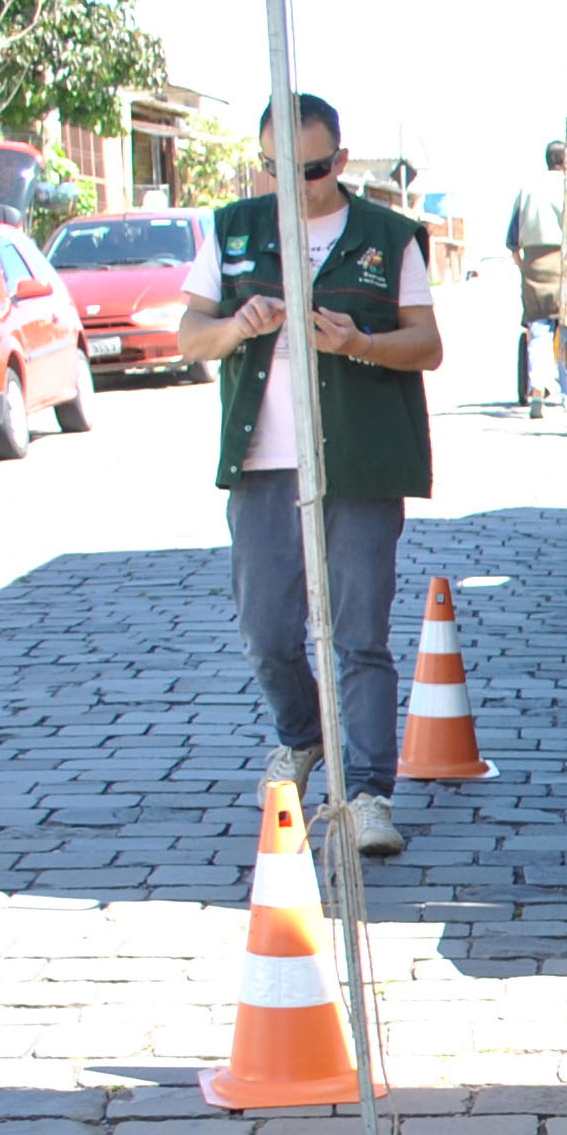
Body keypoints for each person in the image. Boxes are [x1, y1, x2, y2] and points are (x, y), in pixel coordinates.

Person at [177, 94, 442, 860]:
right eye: (281, 170)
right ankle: (302, 737)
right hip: (262, 463)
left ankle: (368, 793)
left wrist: (359, 342)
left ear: (342, 159)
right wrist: (237, 328)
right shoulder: (231, 229)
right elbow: (191, 333)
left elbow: (426, 345)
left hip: (358, 462)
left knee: (361, 635)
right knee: (266, 630)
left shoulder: (387, 238)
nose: (301, 185)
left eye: (316, 169)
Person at [508, 138, 567, 408]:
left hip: (533, 261)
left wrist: (523, 266)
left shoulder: (527, 188)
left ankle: (536, 387)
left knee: (538, 328)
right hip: (564, 260)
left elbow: (512, 239)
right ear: (566, 160)